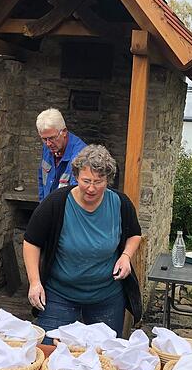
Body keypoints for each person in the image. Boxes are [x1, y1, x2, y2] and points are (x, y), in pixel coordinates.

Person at [23, 145, 142, 341]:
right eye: (86, 181)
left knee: (105, 355)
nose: (91, 188)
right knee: (50, 351)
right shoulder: (56, 203)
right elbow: (31, 242)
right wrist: (35, 282)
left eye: (99, 181)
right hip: (59, 295)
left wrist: (126, 256)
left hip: (106, 296)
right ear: (76, 176)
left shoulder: (120, 203)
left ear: (108, 180)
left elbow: (134, 234)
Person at [36, 108, 87, 201]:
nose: (48, 143)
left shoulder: (81, 156)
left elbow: (76, 197)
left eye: (52, 138)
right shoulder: (48, 147)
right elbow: (41, 180)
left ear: (64, 132)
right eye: (44, 139)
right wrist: (42, 207)